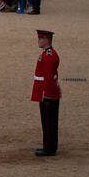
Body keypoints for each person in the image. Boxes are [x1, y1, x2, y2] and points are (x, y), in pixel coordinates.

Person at [31, 29, 61, 157]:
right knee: (48, 121)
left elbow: (48, 77)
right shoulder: (47, 54)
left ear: (46, 40)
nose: (38, 41)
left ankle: (49, 148)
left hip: (47, 94)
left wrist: (47, 94)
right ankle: (49, 146)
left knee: (49, 122)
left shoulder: (48, 56)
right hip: (47, 92)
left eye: (40, 39)